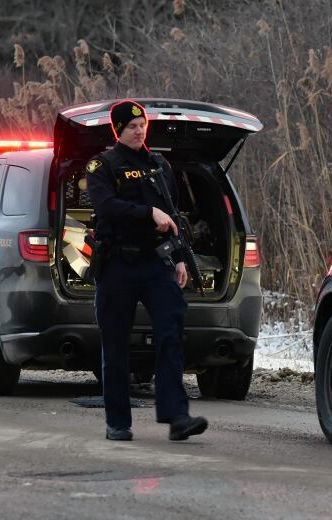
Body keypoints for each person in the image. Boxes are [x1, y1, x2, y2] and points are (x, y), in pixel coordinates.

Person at [85, 100, 208, 441]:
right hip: (116, 265)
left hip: (156, 263)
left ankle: (176, 416)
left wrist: (181, 257)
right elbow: (105, 206)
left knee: (171, 331)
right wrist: (147, 213)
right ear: (118, 130)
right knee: (116, 344)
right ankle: (118, 421)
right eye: (131, 127)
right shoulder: (102, 166)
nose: (139, 131)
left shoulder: (159, 164)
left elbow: (172, 214)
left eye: (142, 126)